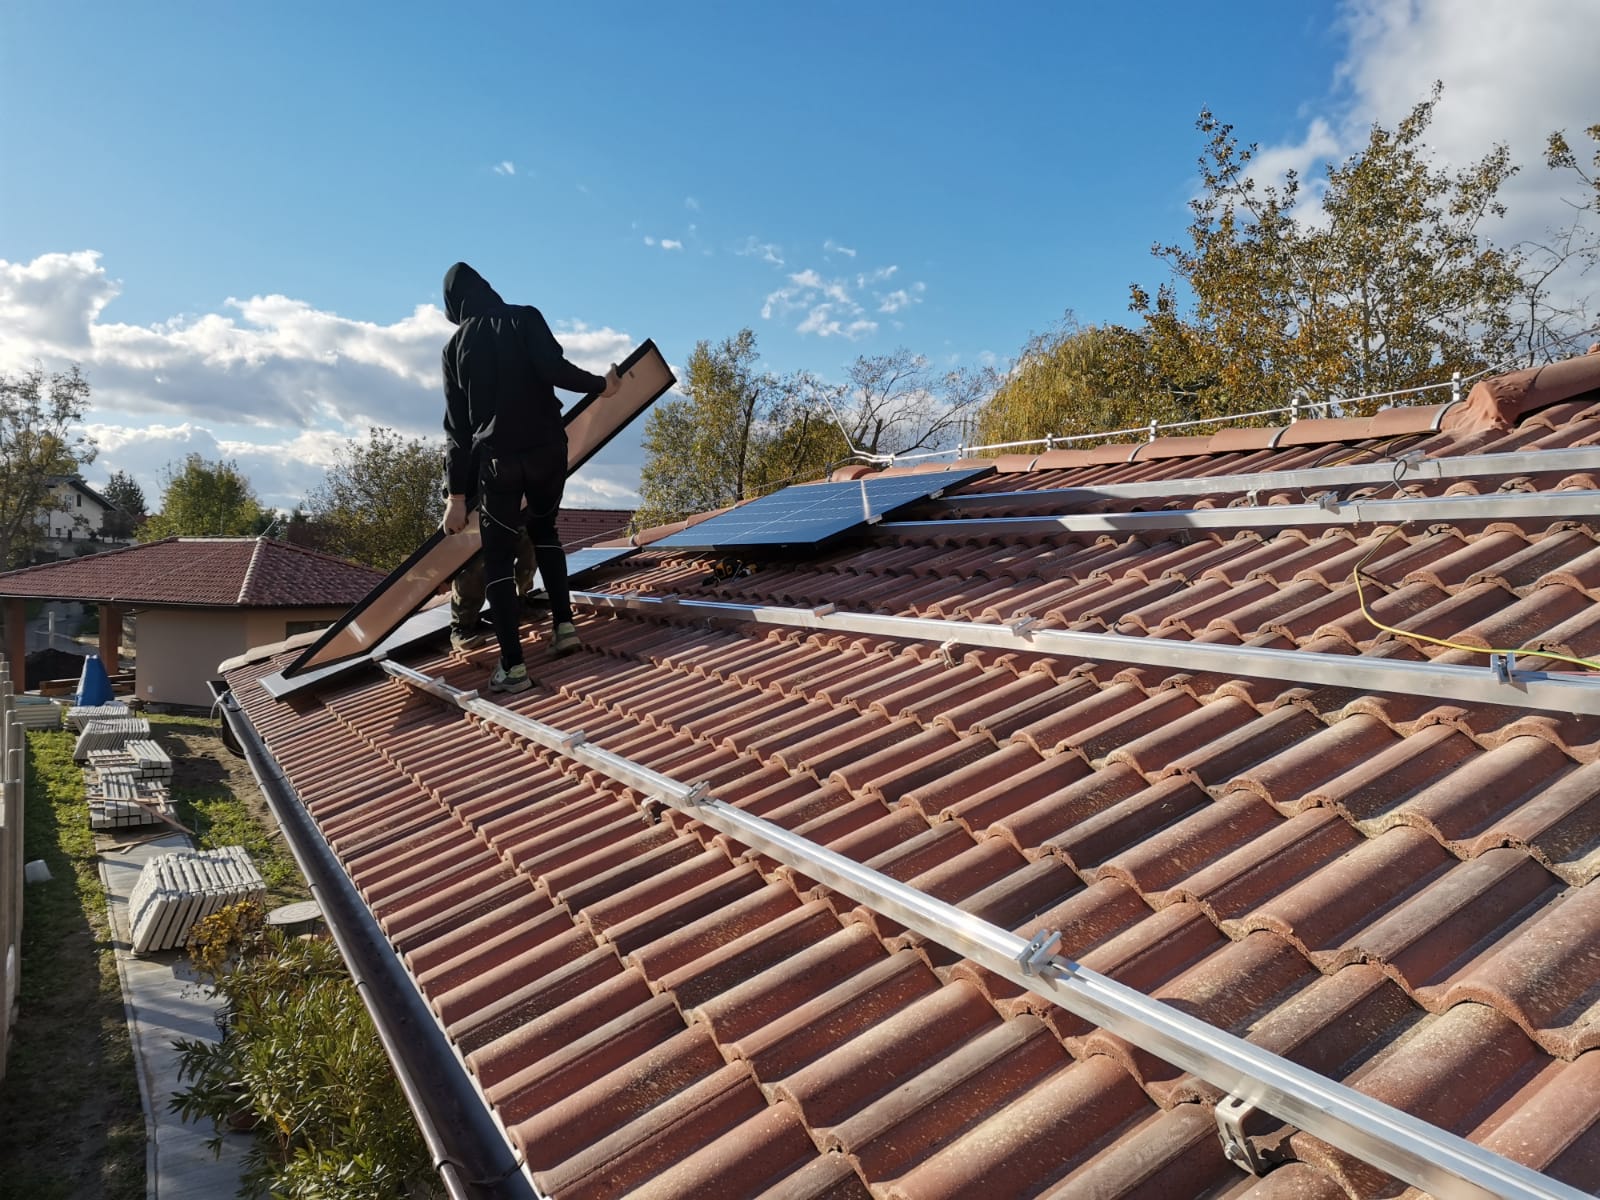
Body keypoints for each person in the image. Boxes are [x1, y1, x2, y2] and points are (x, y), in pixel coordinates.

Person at [440, 262, 618, 693]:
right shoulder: (524, 316)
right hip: (547, 452)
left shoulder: (455, 347)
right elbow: (555, 369)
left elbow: (458, 430)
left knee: (499, 558)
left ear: (454, 305)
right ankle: (564, 630)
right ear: (487, 288)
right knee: (545, 532)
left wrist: (456, 496)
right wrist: (603, 385)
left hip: (498, 463)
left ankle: (513, 667)